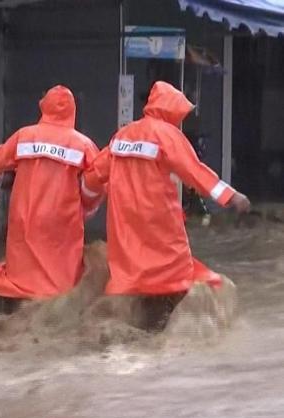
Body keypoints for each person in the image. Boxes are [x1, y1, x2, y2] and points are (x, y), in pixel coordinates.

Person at [82, 81, 251, 329]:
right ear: (172, 110)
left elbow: (94, 175)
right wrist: (231, 196)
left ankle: (133, 324)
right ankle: (163, 329)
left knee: (131, 276)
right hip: (159, 221)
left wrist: (85, 203)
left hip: (124, 225)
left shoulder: (123, 135)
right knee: (176, 275)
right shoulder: (168, 135)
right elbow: (195, 172)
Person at [0, 85, 103, 314]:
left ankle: (14, 306)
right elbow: (98, 179)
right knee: (61, 273)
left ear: (44, 108)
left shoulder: (24, 136)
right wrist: (87, 208)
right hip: (63, 220)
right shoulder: (83, 144)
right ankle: (54, 310)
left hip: (24, 216)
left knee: (22, 269)